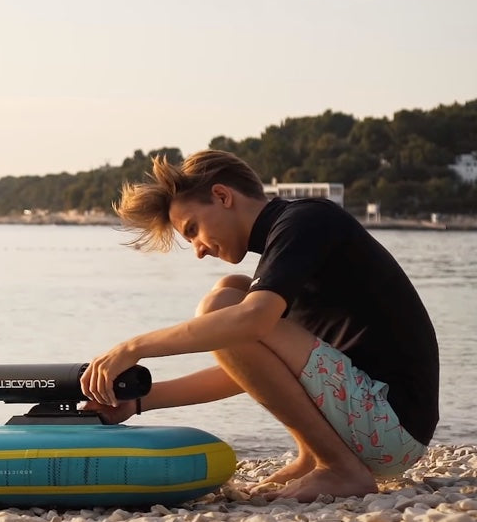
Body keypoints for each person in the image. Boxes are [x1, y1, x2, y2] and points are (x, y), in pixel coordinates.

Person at [80, 150, 440, 502]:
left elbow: (249, 323)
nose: (198, 250)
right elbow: (254, 371)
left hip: (389, 423)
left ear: (222, 196)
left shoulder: (306, 221)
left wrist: (134, 348)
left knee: (223, 306)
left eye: (193, 230)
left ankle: (340, 467)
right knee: (231, 291)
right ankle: (314, 457)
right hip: (379, 428)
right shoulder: (285, 250)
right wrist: (138, 401)